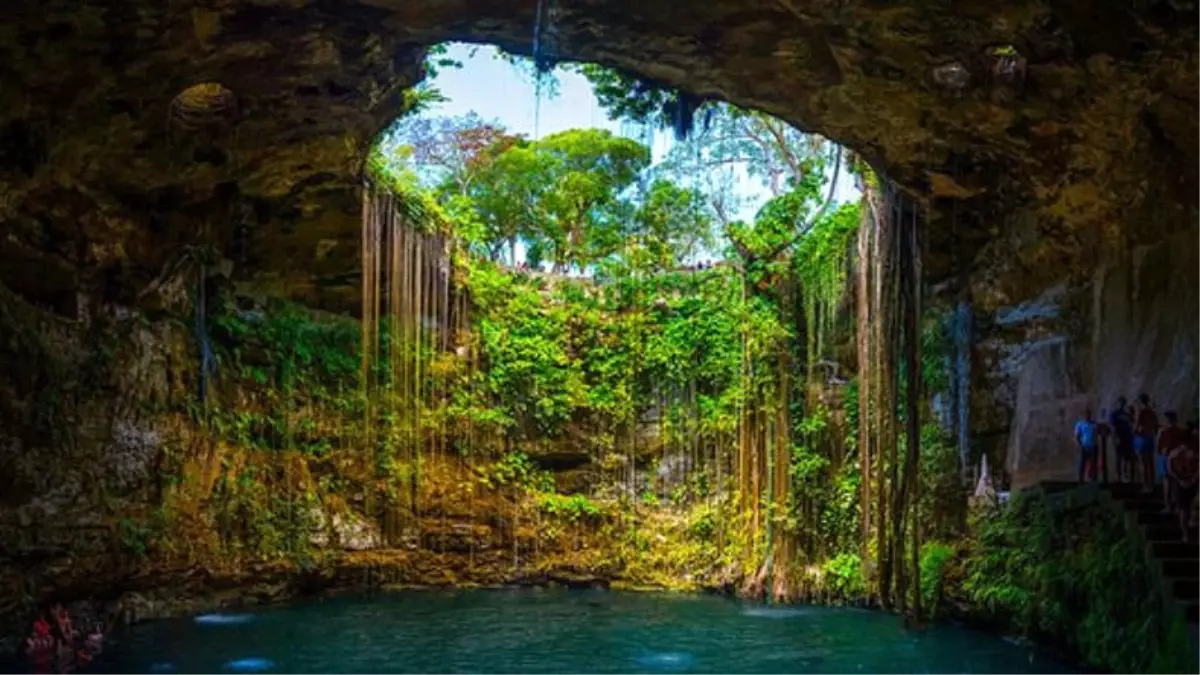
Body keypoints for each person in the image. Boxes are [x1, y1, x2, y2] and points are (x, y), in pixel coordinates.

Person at [1168, 431, 1200, 542]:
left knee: (1183, 509)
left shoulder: (1174, 453)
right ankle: (1194, 533)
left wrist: (1179, 479)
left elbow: (1170, 469)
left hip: (1180, 481)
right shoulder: (1193, 453)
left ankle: (1185, 534)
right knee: (1193, 507)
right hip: (1191, 481)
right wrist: (1193, 480)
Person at [1159, 411, 1188, 511]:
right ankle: (1176, 506)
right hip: (1177, 457)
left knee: (1167, 482)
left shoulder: (1163, 431)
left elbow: (1159, 445)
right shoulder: (1181, 431)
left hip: (1165, 455)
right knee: (1176, 482)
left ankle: (1168, 505)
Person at [1134, 394, 1159, 492]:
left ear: (1140, 401)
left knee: (1142, 463)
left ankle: (1145, 485)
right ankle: (1151, 484)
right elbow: (1156, 427)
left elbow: (1136, 426)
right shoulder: (1152, 412)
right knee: (1150, 462)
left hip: (1141, 439)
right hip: (1150, 437)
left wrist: (1134, 431)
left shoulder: (1140, 412)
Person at [1110, 398, 1134, 482]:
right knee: (1119, 457)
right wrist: (1115, 438)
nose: (1122, 404)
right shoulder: (1115, 414)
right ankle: (1118, 475)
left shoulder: (1127, 414)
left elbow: (1131, 425)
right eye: (1120, 403)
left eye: (1123, 403)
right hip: (1119, 438)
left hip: (1127, 438)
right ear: (1118, 403)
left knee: (1127, 457)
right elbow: (1113, 427)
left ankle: (1125, 474)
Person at [1074, 408, 1100, 483]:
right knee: (1082, 464)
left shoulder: (1094, 424)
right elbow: (1077, 436)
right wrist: (1079, 445)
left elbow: (1098, 433)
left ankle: (1093, 480)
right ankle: (1080, 481)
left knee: (1093, 465)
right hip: (1084, 446)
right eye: (1086, 414)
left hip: (1093, 446)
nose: (1087, 416)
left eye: (1089, 414)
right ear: (1084, 415)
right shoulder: (1080, 424)